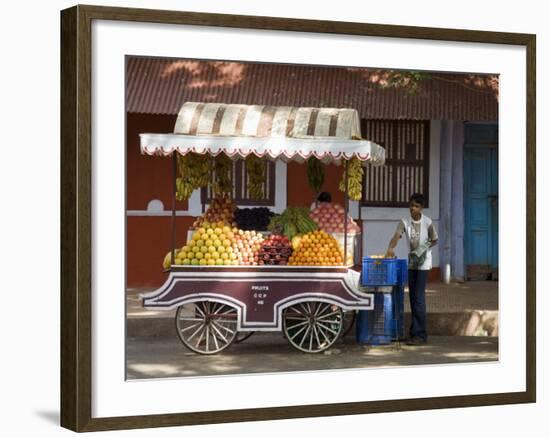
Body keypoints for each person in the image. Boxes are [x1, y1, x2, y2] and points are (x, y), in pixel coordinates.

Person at [385, 193, 438, 346]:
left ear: (421, 208)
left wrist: (423, 248)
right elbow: (396, 236)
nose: (412, 208)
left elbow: (434, 239)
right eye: (411, 205)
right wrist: (390, 248)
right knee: (413, 298)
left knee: (419, 298)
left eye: (416, 206)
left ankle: (420, 335)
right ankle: (414, 332)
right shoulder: (404, 222)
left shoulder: (427, 222)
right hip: (412, 263)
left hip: (424, 264)